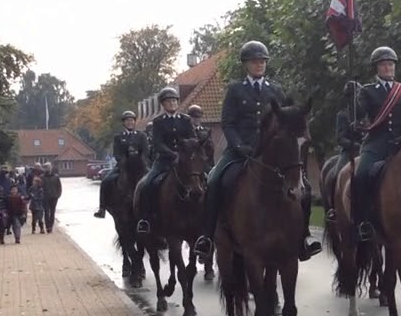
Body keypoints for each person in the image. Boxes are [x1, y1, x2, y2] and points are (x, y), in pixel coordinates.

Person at [193, 41, 322, 262]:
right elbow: (228, 122)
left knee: (305, 188)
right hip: (239, 150)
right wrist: (238, 144)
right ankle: (208, 237)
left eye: (262, 61)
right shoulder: (235, 90)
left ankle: (303, 237)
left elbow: (286, 122)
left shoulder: (276, 89)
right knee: (214, 180)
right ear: (246, 64)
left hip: (270, 152)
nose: (259, 64)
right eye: (255, 61)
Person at [352, 46, 401, 242]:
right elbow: (359, 115)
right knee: (361, 175)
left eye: (391, 64)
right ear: (377, 68)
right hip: (376, 143)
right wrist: (352, 97)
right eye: (384, 65)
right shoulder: (367, 91)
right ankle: (363, 221)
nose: (388, 68)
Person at [134, 87, 195, 234]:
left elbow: (193, 139)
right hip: (164, 162)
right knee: (147, 184)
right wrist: (172, 154)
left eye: (174, 100)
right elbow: (157, 143)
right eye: (168, 101)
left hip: (185, 161)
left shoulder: (186, 120)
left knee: (204, 179)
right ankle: (145, 219)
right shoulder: (158, 122)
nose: (172, 103)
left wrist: (186, 150)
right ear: (163, 104)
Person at [94, 111, 147, 218]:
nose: (130, 123)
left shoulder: (141, 135)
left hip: (139, 165)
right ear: (124, 123)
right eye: (127, 121)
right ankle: (102, 208)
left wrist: (142, 161)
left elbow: (145, 151)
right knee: (106, 181)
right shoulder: (118, 137)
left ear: (135, 122)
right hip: (123, 166)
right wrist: (122, 162)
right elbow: (117, 153)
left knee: (153, 180)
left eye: (132, 120)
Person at [328, 80, 363, 223]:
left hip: (365, 150)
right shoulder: (342, 115)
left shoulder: (366, 114)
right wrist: (354, 145)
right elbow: (340, 138)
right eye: (354, 96)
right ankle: (333, 208)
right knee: (335, 174)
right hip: (348, 152)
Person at [41, 162, 62, 232]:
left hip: (54, 197)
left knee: (52, 212)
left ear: (51, 168)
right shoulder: (42, 177)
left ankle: (51, 226)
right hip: (45, 197)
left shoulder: (56, 177)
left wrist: (58, 195)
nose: (47, 169)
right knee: (46, 212)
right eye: (46, 167)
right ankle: (47, 227)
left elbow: (59, 187)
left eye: (49, 167)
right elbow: (40, 187)